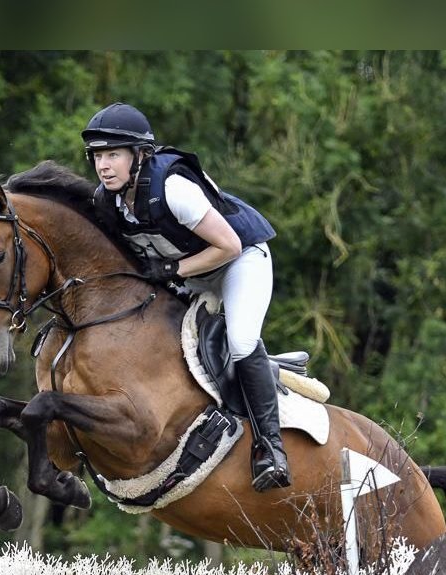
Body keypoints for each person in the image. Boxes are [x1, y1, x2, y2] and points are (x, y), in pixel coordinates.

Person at [81, 102, 291, 492]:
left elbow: (227, 245)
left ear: (139, 155)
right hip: (192, 274)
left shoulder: (172, 188)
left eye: (113, 154)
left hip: (239, 260)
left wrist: (173, 271)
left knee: (242, 341)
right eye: (97, 156)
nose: (104, 165)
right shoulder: (107, 201)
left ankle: (271, 450)